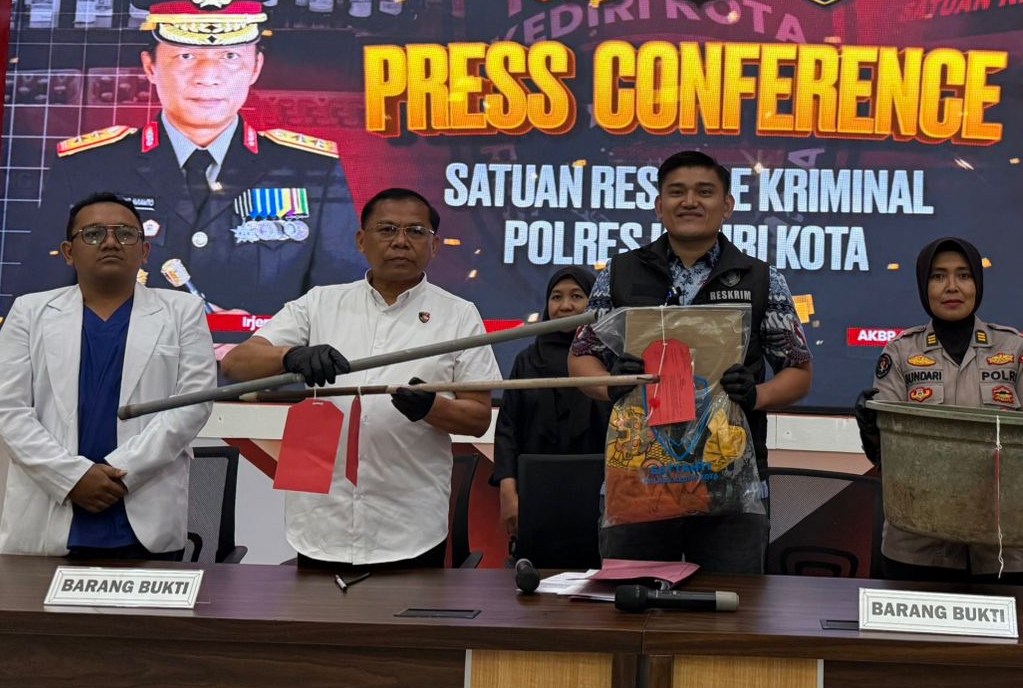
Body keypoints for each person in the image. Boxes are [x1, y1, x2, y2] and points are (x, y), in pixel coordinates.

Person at [21, 0, 362, 328]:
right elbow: (43, 310)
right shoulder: (87, 169)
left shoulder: (313, 170)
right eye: (186, 55)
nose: (208, 76)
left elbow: (343, 312)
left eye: (229, 56)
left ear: (256, 67)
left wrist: (271, 342)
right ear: (150, 67)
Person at [221, 187, 499, 569]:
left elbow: (479, 418)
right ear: (361, 240)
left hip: (410, 526)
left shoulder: (460, 315)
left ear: (434, 246)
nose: (400, 241)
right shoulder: (319, 303)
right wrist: (291, 356)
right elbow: (236, 364)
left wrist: (431, 408)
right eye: (387, 230)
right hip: (320, 519)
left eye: (415, 231)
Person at [568, 150, 813, 574]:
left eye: (704, 192)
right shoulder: (620, 272)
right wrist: (610, 384)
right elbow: (581, 359)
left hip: (731, 480)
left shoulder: (761, 278)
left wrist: (756, 395)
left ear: (727, 205)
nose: (690, 202)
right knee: (632, 601)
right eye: (677, 192)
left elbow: (799, 371)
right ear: (659, 205)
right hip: (638, 476)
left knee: (731, 606)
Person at [0, 192, 216, 558]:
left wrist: (121, 471)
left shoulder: (183, 311)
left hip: (143, 518)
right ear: (68, 252)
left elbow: (192, 405)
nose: (110, 242)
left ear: (144, 251)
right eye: (93, 234)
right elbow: (6, 409)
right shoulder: (30, 312)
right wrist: (72, 477)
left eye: (125, 234)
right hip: (49, 514)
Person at [858, 237, 1023, 585]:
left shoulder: (1016, 348)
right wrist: (870, 428)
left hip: (1004, 549)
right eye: (938, 276)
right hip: (918, 545)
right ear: (923, 285)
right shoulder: (900, 352)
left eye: (964, 275)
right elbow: (887, 457)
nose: (952, 287)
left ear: (978, 283)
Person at [491, 265, 603, 540]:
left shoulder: (609, 359)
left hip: (601, 495)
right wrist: (508, 493)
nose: (565, 306)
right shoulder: (527, 361)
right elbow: (507, 431)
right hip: (535, 492)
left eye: (577, 296)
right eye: (556, 297)